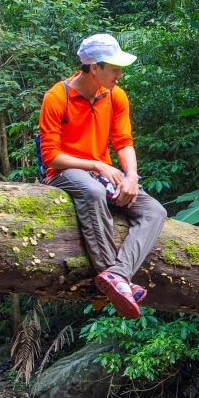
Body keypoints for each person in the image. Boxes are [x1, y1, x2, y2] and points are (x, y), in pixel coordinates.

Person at [39, 33, 167, 320]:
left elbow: (123, 141)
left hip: (103, 173)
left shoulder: (116, 95)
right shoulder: (57, 97)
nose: (119, 75)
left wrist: (131, 176)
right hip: (64, 173)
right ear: (94, 68)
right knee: (94, 192)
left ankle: (117, 275)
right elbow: (51, 156)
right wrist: (97, 165)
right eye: (115, 69)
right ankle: (115, 278)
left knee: (155, 211)